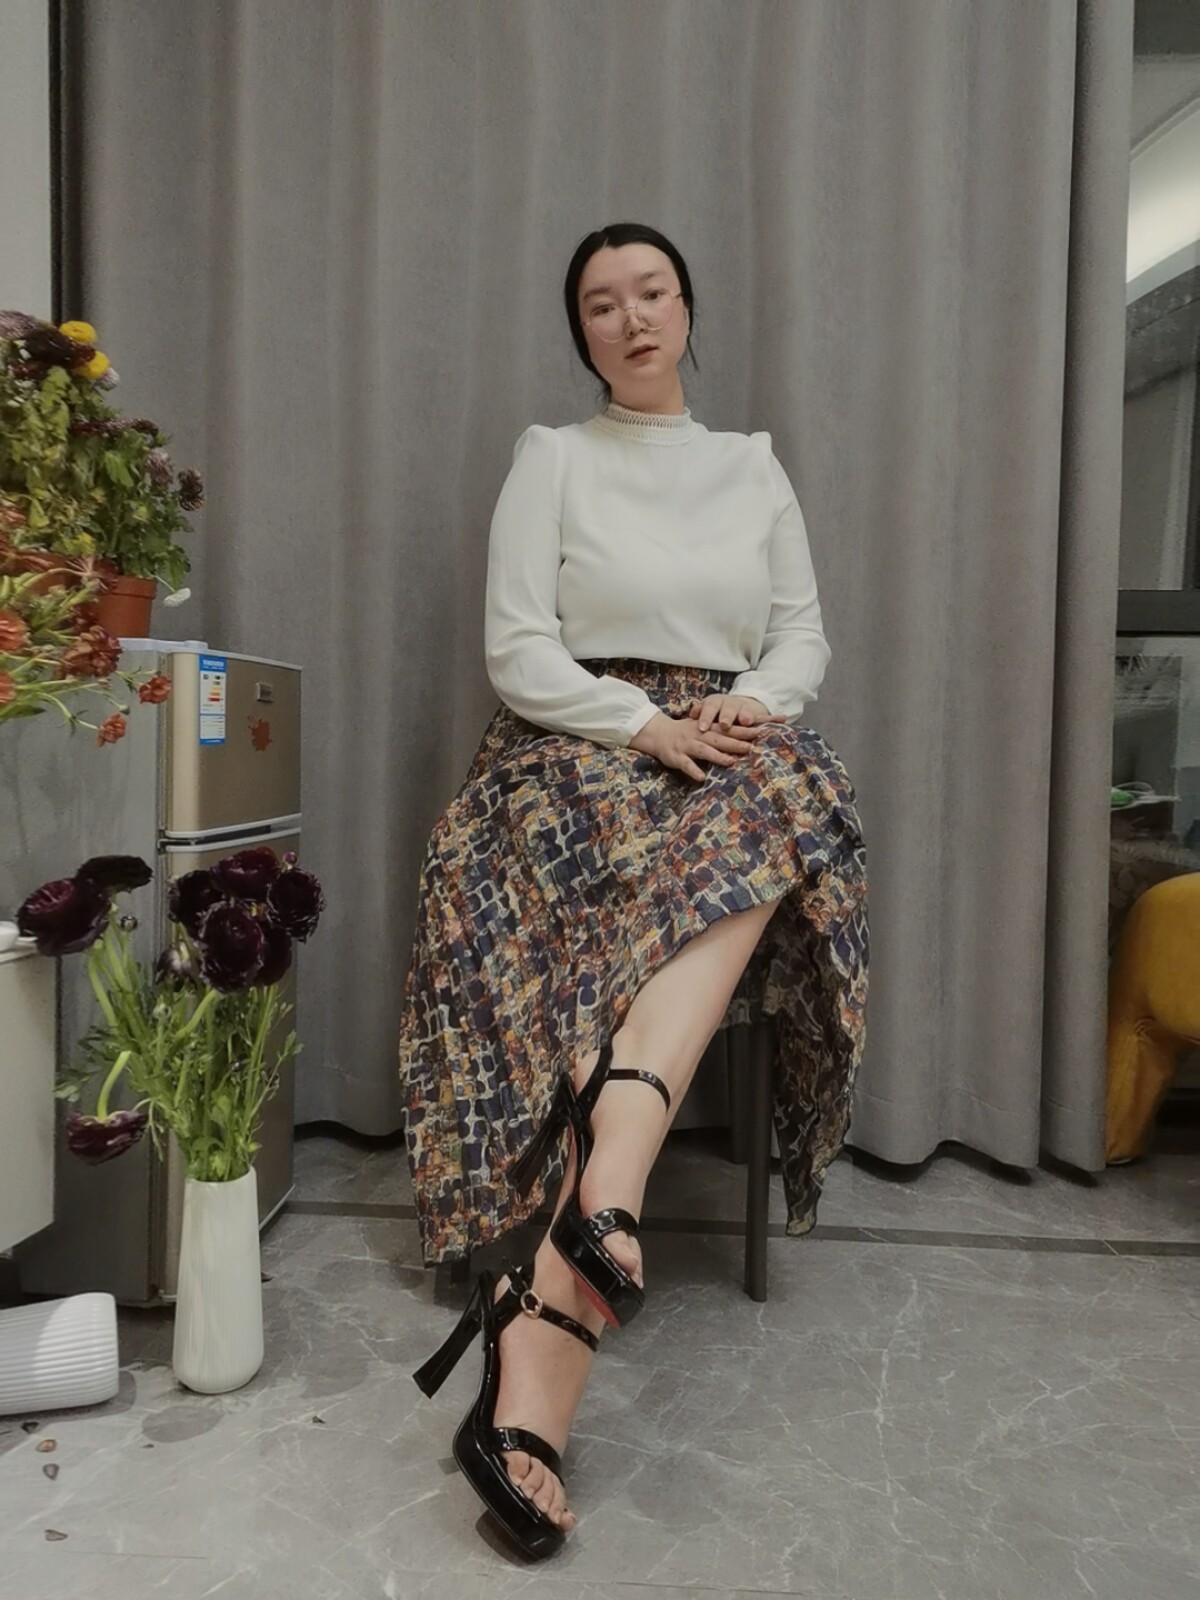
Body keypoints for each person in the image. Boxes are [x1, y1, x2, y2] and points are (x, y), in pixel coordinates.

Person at [399, 221, 868, 1559]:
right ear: (582, 333)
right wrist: (641, 726)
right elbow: (517, 648)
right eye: (601, 303)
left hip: (723, 736)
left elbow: (801, 635)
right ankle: (604, 1192)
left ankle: (591, 1213)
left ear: (687, 308)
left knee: (793, 785)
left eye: (651, 291)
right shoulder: (551, 458)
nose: (632, 316)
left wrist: (747, 707)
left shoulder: (750, 466)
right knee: (753, 818)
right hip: (573, 741)